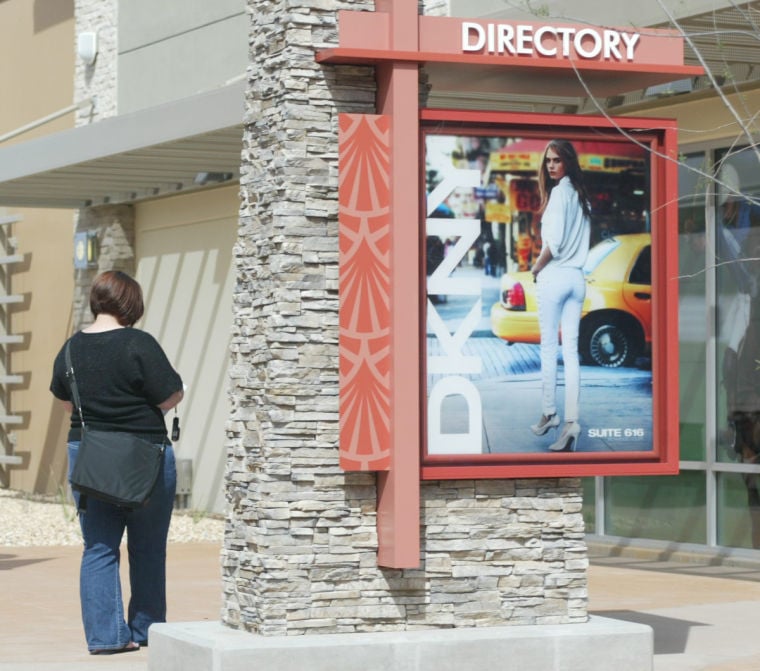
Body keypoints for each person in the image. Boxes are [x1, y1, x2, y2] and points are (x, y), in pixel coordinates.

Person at [49, 271, 184, 654]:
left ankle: (106, 637)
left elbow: (65, 403)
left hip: (90, 456)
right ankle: (147, 631)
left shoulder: (71, 349)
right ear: (131, 303)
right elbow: (169, 397)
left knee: (99, 547)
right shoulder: (138, 343)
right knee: (148, 547)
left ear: (97, 301)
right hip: (144, 455)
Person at [529, 140, 592, 452]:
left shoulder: (558, 195)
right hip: (577, 279)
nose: (551, 165)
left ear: (567, 161)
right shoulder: (582, 197)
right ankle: (572, 421)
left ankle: (549, 412)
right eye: (548, 161)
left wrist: (536, 268)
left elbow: (552, 244)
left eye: (556, 160)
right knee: (571, 352)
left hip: (555, 276)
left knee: (548, 348)